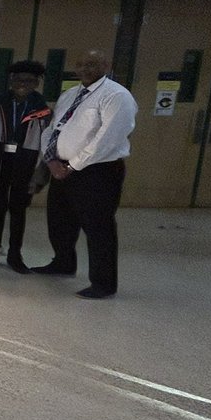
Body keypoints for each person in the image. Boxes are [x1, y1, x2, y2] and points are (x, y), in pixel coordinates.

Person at [34, 50, 138, 299]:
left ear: (106, 64)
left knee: (98, 227)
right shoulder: (70, 94)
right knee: (60, 220)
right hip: (61, 167)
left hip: (97, 172)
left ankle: (103, 284)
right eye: (81, 64)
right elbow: (53, 129)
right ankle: (63, 263)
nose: (86, 69)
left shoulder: (116, 95)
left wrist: (73, 166)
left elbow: (107, 139)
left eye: (93, 64)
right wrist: (51, 161)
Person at [0, 60, 51, 273]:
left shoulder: (42, 109)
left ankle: (15, 256)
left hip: (26, 162)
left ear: (36, 83)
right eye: (18, 79)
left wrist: (40, 176)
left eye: (28, 80)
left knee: (18, 210)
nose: (22, 84)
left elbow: (48, 145)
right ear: (11, 81)